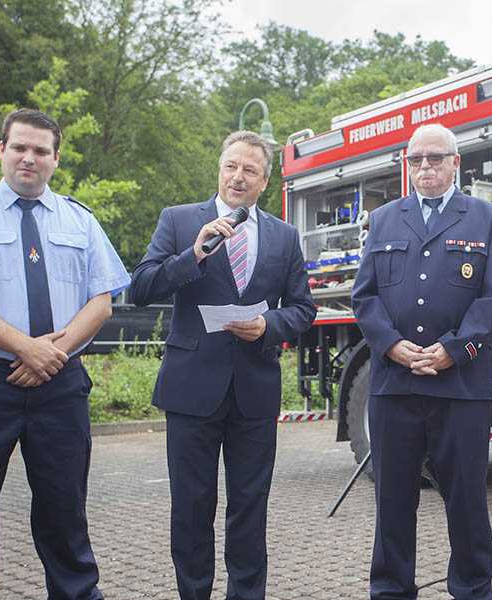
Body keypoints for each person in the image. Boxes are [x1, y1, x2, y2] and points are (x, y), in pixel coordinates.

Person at [0, 108, 130, 599]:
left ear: (55, 159)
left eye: (41, 150)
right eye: (19, 147)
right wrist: (26, 348)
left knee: (65, 517)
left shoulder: (79, 220)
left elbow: (101, 301)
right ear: (1, 151)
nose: (29, 158)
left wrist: (50, 355)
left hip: (58, 387)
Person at [130, 130, 316, 600]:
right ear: (219, 169)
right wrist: (193, 253)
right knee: (192, 508)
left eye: (249, 170)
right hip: (192, 389)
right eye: (231, 166)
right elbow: (142, 287)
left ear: (264, 181)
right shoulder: (178, 221)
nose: (238, 176)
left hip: (254, 390)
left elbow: (302, 308)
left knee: (250, 508)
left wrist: (268, 325)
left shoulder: (284, 235)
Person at [351, 123, 492, 600]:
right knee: (393, 503)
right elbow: (366, 297)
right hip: (394, 386)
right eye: (416, 159)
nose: (425, 167)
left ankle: (473, 588)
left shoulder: (486, 218)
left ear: (456, 163)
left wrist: (455, 349)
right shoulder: (383, 220)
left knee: (466, 501)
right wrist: (391, 346)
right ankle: (391, 590)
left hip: (459, 386)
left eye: (435, 158)